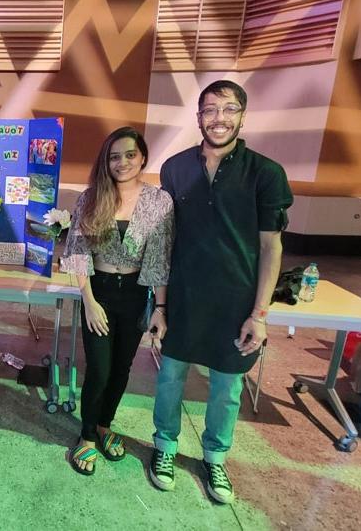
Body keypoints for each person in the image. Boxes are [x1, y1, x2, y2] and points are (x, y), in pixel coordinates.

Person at [148, 80, 292, 504]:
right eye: (210, 110)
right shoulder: (175, 169)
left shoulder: (266, 173)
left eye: (229, 109)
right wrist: (159, 303)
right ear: (198, 117)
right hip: (183, 296)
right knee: (170, 377)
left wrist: (260, 314)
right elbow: (161, 240)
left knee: (227, 388)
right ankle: (165, 447)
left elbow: (271, 247)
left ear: (242, 116)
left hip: (236, 302)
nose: (219, 119)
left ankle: (215, 457)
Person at [61, 127, 173, 476]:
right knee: (100, 368)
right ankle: (88, 436)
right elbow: (77, 252)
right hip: (100, 290)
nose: (122, 162)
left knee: (122, 368)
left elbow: (160, 258)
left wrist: (160, 308)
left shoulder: (159, 201)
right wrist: (89, 301)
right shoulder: (91, 197)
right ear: (105, 161)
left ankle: (105, 424)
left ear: (142, 157)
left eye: (129, 155)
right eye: (114, 156)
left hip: (137, 294)